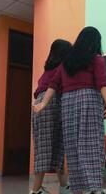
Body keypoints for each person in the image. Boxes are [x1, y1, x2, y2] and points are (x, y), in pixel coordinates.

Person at [33, 27, 106, 194]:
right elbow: (102, 82)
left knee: (73, 147)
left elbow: (54, 84)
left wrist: (43, 103)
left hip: (67, 104)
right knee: (92, 144)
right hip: (89, 101)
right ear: (95, 42)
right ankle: (93, 189)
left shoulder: (66, 63)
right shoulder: (96, 59)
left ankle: (79, 188)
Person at [31, 39, 72, 194]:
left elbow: (39, 91)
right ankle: (37, 190)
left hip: (39, 104)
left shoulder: (47, 70)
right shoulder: (62, 68)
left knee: (45, 147)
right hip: (52, 103)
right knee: (56, 147)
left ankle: (60, 186)